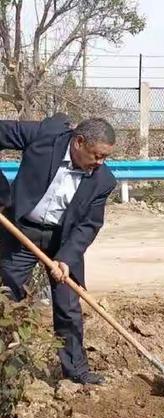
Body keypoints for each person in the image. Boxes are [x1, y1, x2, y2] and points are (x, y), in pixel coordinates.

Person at [0, 114, 116, 385]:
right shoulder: (46, 135)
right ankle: (9, 368)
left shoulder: (103, 180)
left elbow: (88, 225)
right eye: (97, 155)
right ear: (79, 142)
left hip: (62, 241)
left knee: (68, 306)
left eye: (105, 157)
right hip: (21, 231)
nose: (100, 163)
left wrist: (66, 259)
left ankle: (76, 371)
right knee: (8, 298)